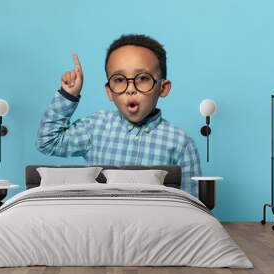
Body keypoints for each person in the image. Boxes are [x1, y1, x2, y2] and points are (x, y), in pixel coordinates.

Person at [37, 34, 201, 196]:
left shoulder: (181, 143)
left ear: (163, 88)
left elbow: (191, 205)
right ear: (109, 92)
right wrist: (68, 96)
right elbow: (47, 142)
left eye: (142, 78)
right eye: (119, 80)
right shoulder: (95, 127)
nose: (130, 89)